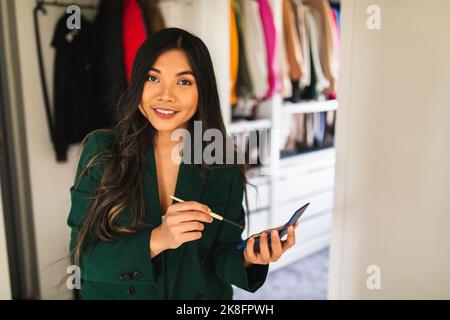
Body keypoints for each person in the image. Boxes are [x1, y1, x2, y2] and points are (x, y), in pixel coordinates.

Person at [67, 28, 297, 300]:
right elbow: (83, 258)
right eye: (153, 78)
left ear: (203, 90)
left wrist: (250, 257)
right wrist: (158, 239)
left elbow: (221, 253)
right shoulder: (101, 151)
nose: (165, 95)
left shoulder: (222, 162)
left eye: (184, 82)